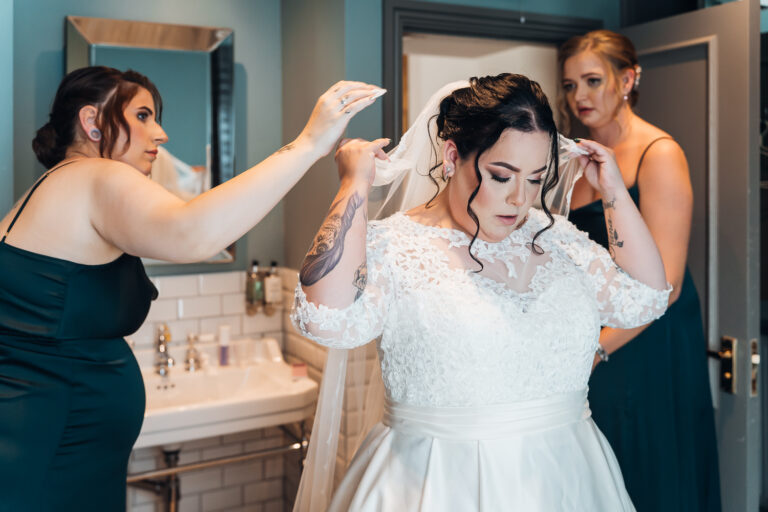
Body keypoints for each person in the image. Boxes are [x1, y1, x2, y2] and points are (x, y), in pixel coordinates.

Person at [0, 65, 382, 512]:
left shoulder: (45, 190)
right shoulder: (95, 176)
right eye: (143, 116)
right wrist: (309, 144)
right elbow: (193, 234)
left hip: (45, 435)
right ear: (91, 122)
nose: (160, 134)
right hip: (56, 444)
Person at [291, 73, 671, 511]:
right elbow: (324, 318)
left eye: (535, 179)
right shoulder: (395, 245)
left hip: (569, 478)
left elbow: (646, 297)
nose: (519, 199)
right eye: (501, 175)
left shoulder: (557, 239)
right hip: (432, 483)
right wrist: (353, 184)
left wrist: (614, 192)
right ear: (452, 155)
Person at [559, 30, 721, 512]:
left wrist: (594, 348)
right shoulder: (573, 157)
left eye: (592, 80)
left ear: (627, 79)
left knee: (643, 464)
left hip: (645, 336)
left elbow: (664, 287)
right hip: (592, 330)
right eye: (569, 86)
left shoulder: (659, 152)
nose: (580, 97)